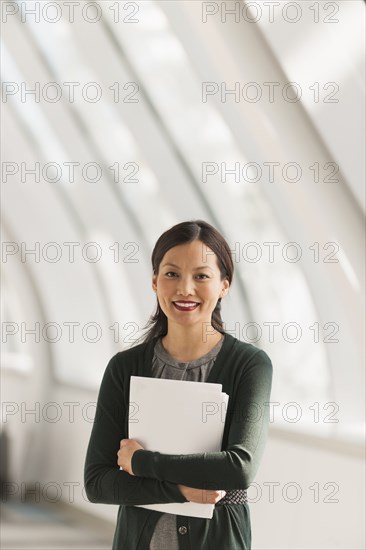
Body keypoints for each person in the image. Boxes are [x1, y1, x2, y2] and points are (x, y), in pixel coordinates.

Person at [84, 219, 273, 550]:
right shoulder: (124, 368)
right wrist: (181, 491)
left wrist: (141, 463)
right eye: (172, 274)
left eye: (201, 276)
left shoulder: (249, 365)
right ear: (155, 282)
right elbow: (97, 482)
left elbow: (239, 467)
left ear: (224, 285)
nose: (185, 288)